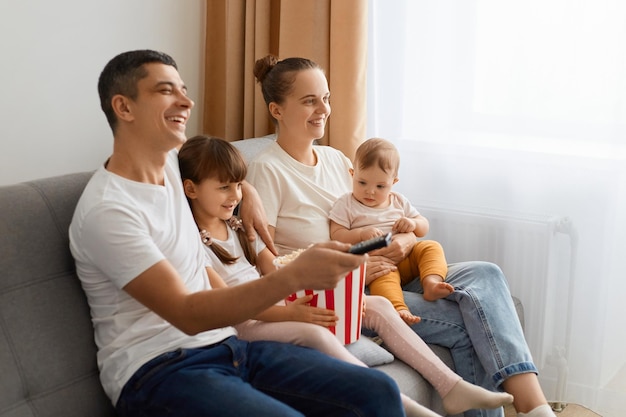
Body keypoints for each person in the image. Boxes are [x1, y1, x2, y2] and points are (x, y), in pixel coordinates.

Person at [68, 49, 407, 417]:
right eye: (167, 91)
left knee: (379, 391)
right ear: (124, 108)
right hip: (159, 370)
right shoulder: (109, 211)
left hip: (228, 347)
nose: (187, 100)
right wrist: (294, 275)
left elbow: (221, 167)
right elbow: (187, 313)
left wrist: (249, 192)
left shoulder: (166, 161)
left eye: (183, 89)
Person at [246, 54, 556, 417]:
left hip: (390, 266)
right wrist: (353, 266)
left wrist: (407, 241)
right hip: (347, 291)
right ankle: (532, 410)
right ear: (277, 109)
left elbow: (382, 209)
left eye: (326, 98)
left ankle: (536, 407)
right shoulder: (265, 170)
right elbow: (263, 260)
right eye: (309, 100)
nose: (323, 109)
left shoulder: (334, 159)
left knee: (485, 273)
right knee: (470, 321)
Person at [178, 134, 516, 417]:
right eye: (225, 188)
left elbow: (274, 271)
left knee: (379, 306)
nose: (236, 195)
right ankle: (403, 404)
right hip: (247, 322)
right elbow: (230, 306)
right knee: (316, 335)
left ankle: (451, 386)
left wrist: (310, 284)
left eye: (239, 186)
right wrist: (290, 312)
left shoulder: (239, 226)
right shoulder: (193, 246)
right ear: (191, 190)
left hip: (274, 300)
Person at [329, 137, 454, 325]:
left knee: (431, 246)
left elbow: (424, 226)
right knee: (384, 280)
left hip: (408, 259)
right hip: (380, 265)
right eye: (362, 182)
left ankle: (431, 283)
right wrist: (360, 234)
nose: (370, 191)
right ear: (352, 174)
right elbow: (336, 235)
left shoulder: (398, 201)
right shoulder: (346, 204)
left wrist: (412, 223)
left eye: (380, 186)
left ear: (393, 182)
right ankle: (399, 310)